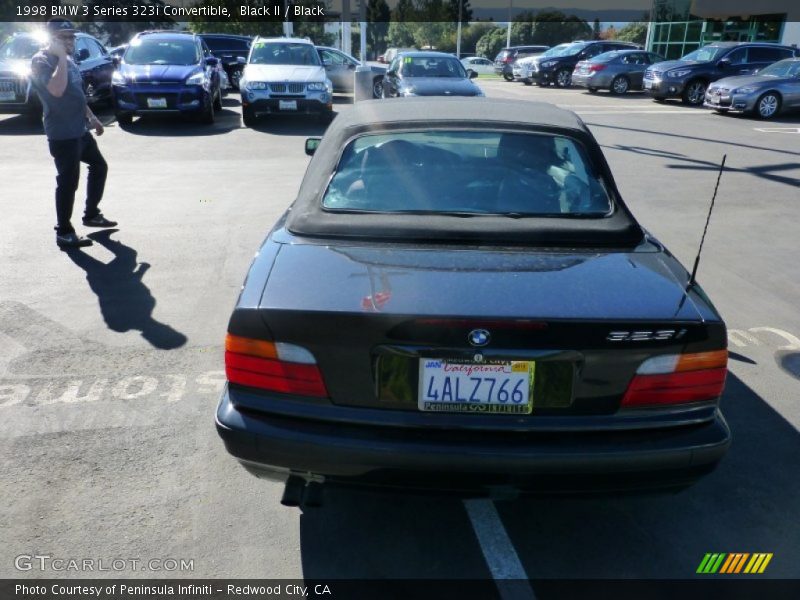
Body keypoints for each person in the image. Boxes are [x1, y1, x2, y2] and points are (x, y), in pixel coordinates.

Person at [30, 18, 117, 249]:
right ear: (51, 39)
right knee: (68, 182)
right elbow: (57, 91)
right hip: (62, 134)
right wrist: (59, 57)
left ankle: (91, 215)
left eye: (72, 36)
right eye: (64, 37)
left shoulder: (67, 60)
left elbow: (76, 92)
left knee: (99, 166)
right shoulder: (42, 61)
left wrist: (92, 117)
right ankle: (64, 232)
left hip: (79, 130)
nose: (71, 41)